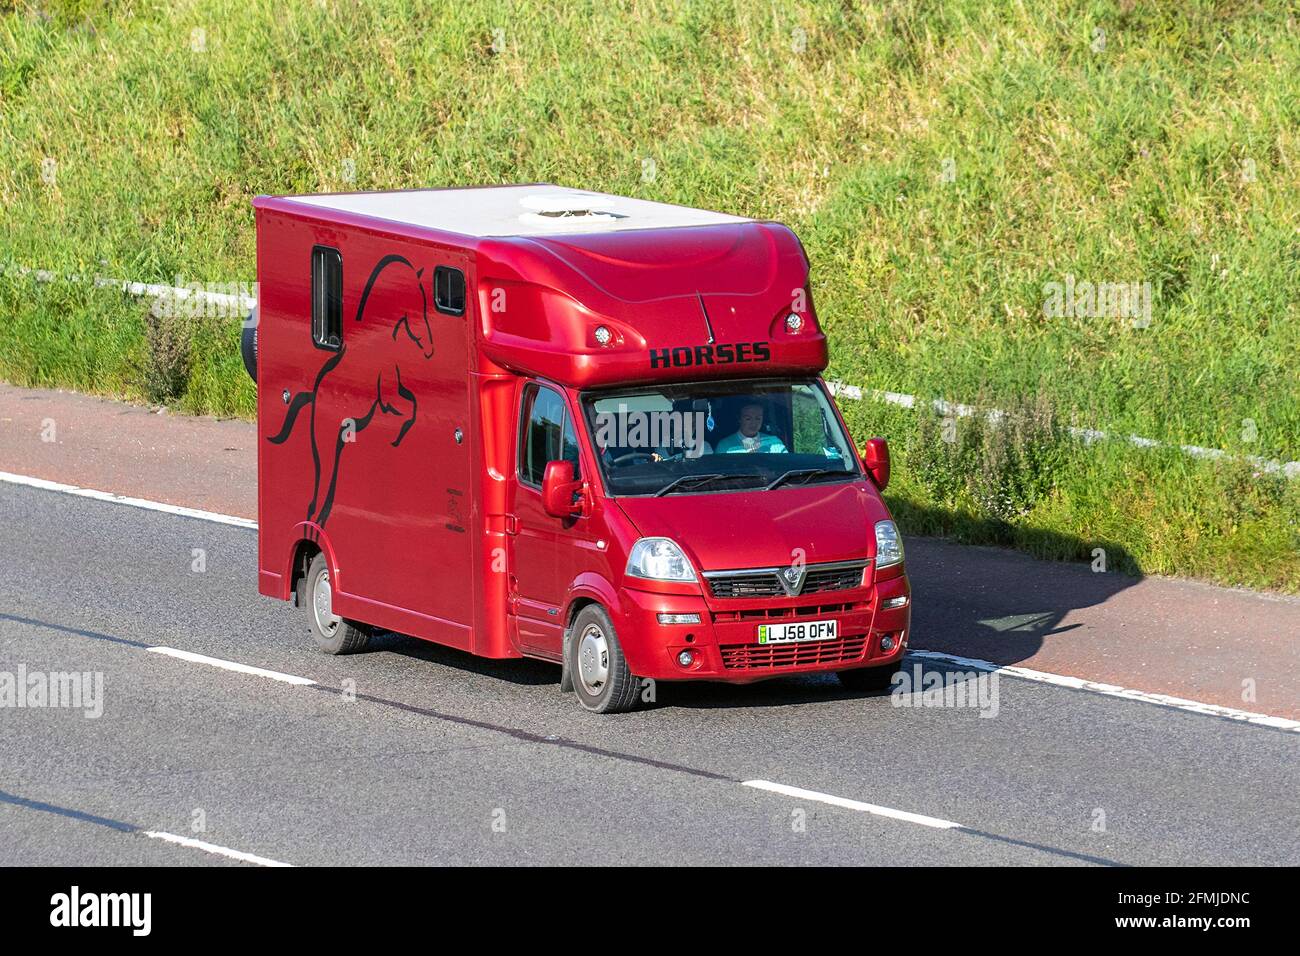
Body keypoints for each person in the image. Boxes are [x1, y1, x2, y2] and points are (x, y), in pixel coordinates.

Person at [715, 401, 787, 454]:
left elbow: (785, 465)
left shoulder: (774, 442)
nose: (754, 423)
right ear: (739, 419)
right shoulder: (725, 446)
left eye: (758, 418)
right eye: (748, 419)